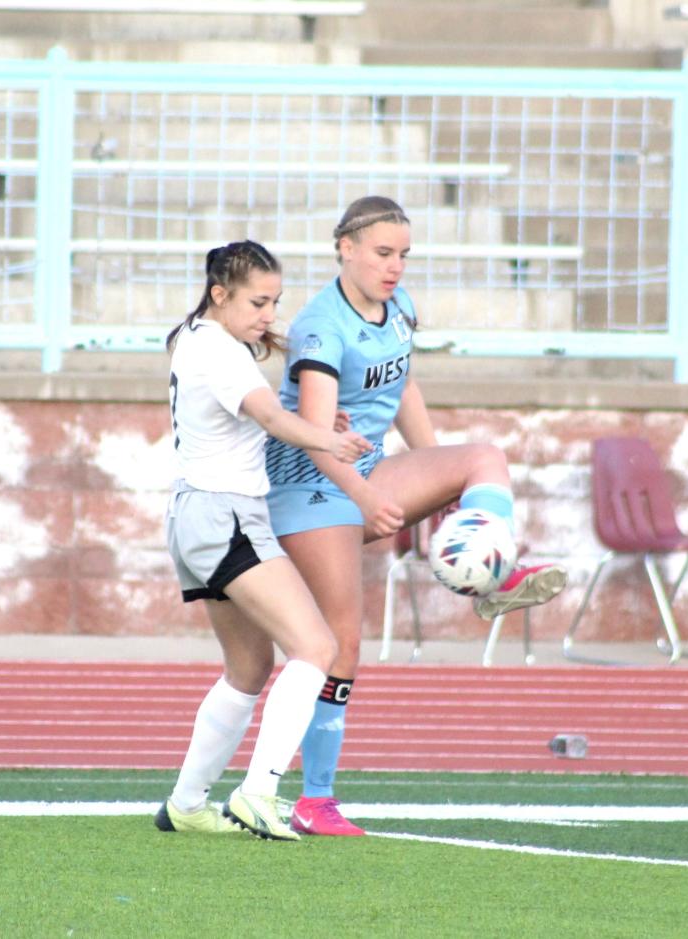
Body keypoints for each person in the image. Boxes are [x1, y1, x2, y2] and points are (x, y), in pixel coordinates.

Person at [266, 196, 568, 837]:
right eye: (383, 253)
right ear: (344, 248)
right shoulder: (321, 327)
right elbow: (318, 438)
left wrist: (440, 481)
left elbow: (403, 386)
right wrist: (371, 502)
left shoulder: (398, 309)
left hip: (367, 472)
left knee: (482, 458)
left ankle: (491, 576)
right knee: (340, 644)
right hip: (312, 486)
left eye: (404, 254)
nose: (396, 266)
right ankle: (312, 800)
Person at [153, 240, 373, 840]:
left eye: (275, 302)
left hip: (197, 516)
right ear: (219, 293)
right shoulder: (220, 350)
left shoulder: (199, 339)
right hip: (227, 516)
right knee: (316, 647)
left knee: (249, 668)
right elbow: (273, 421)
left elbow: (250, 424)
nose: (268, 315)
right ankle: (259, 792)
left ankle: (186, 803)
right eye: (257, 301)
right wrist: (325, 441)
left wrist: (317, 424)